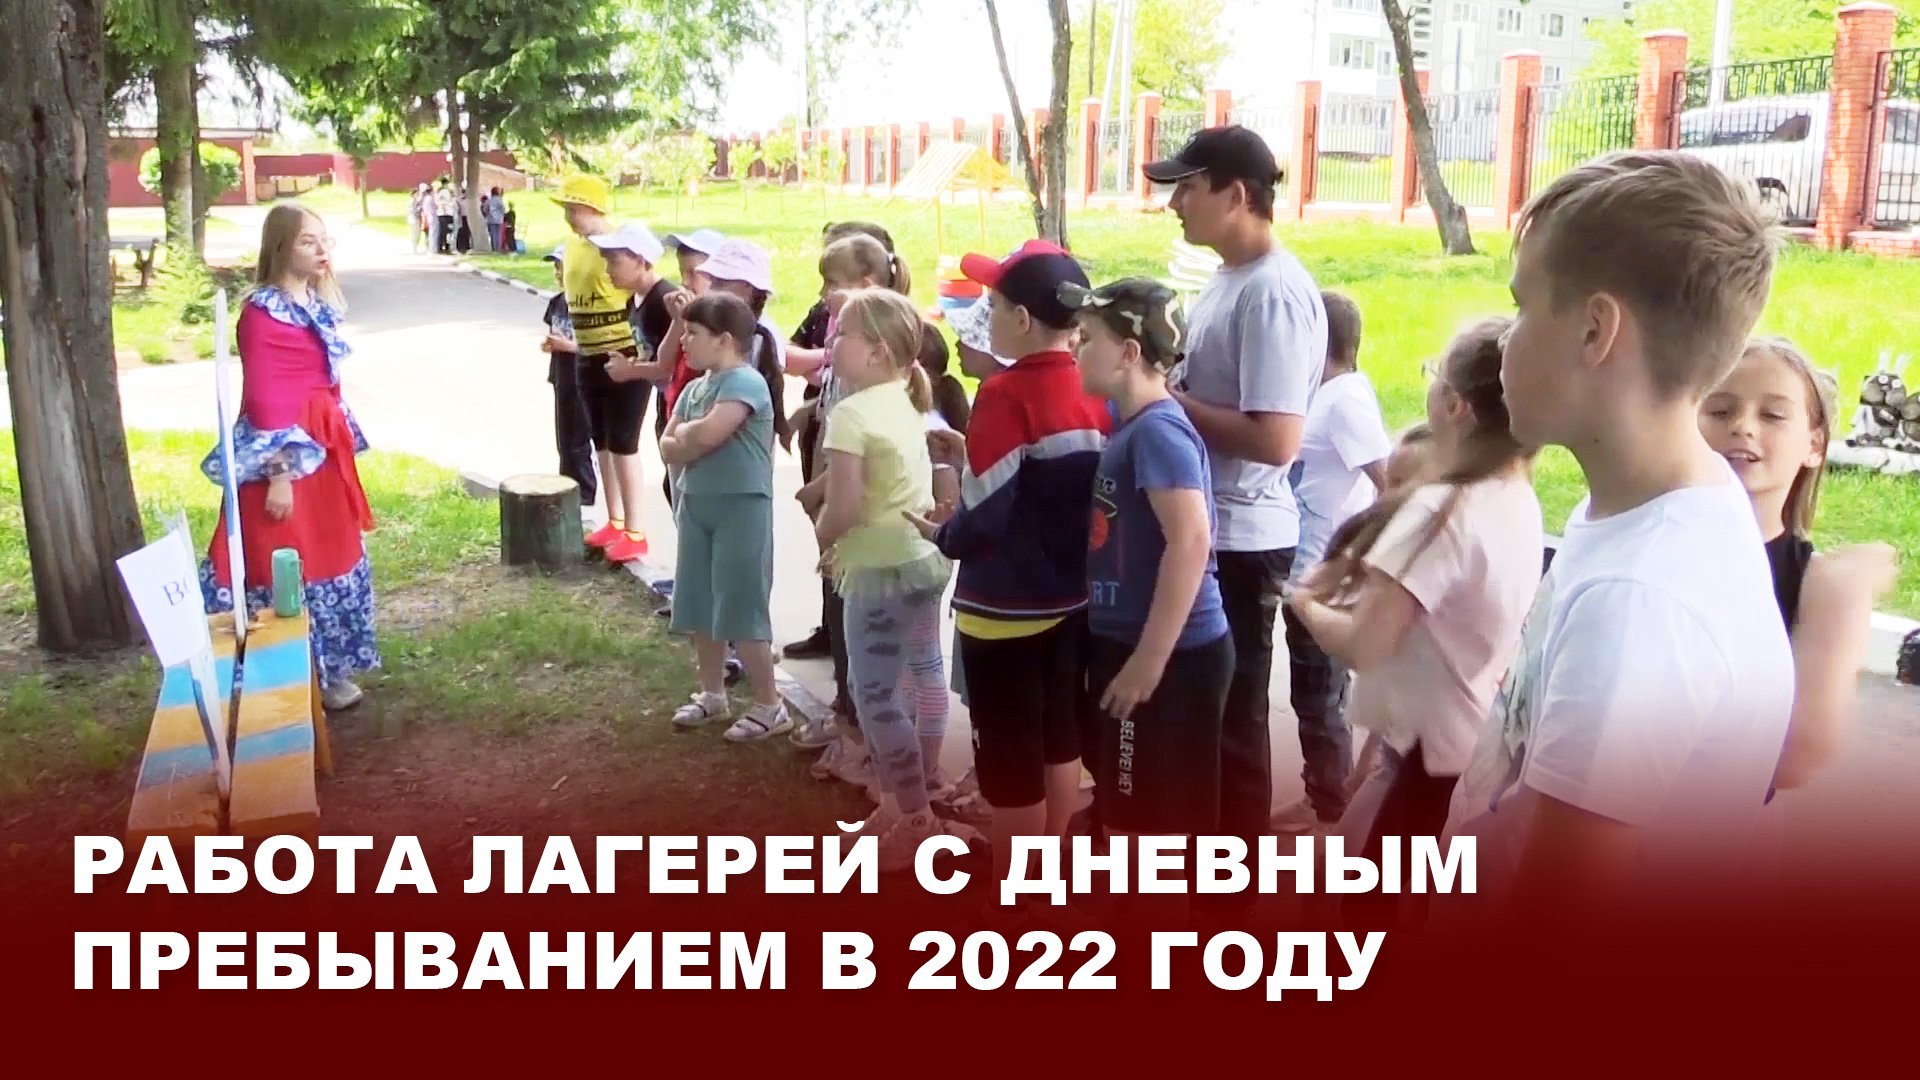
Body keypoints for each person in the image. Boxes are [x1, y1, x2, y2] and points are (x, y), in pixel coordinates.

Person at [1442, 151, 1794, 915]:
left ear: (1596, 329)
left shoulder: (1638, 597)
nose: (1504, 341)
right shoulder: (1660, 507)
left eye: (1524, 307)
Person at [1288, 319, 1542, 926]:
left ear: (1455, 405)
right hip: (1467, 742)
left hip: (1426, 757)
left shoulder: (1440, 509)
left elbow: (1364, 646)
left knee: (1370, 920)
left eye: (1435, 375)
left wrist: (1304, 604)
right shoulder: (1515, 492)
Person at [1142, 125, 1328, 854]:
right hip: (1210, 526)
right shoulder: (1230, 279)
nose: (1174, 204)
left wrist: (1166, 402)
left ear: (1237, 195)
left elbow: (1277, 440)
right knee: (1199, 717)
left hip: (1244, 539)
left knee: (1232, 721)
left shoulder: (1273, 293)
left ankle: (1232, 891)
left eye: (1188, 188)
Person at [907, 239, 1110, 895]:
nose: (984, 317)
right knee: (1059, 742)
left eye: (992, 305)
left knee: (1010, 764)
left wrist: (944, 533)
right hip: (1072, 599)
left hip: (1002, 611)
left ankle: (1014, 899)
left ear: (1022, 319)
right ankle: (1049, 872)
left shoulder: (1003, 393)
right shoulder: (1094, 388)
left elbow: (985, 516)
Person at [1061, 278, 1231, 879]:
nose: (1075, 347)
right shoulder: (1132, 425)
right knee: (1131, 818)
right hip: (1134, 645)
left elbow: (1190, 540)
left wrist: (1149, 662)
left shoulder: (1158, 431)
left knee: (1149, 833)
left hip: (1170, 656)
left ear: (1130, 352)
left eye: (1087, 338)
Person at [198, 203, 377, 712]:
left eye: (324, 240)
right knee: (283, 554)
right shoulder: (262, 313)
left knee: (329, 551)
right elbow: (264, 397)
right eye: (307, 241)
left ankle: (328, 671)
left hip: (324, 444)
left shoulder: (313, 302)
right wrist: (278, 473)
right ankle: (278, 676)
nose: (321, 250)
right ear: (280, 247)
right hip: (284, 453)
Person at [1699, 339, 1897, 797]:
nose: (1743, 426)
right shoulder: (1647, 549)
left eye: (1773, 415)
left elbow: (1796, 759)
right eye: (1720, 411)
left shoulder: (1820, 587)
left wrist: (1842, 596)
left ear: (1815, 445)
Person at [815, 287, 970, 864]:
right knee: (901, 683)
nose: (832, 342)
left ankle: (915, 818)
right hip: (918, 562)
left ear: (878, 351)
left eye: (843, 334)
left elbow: (845, 507)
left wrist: (824, 534)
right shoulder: (903, 398)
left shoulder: (851, 413)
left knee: (876, 696)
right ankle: (896, 806)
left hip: (881, 570)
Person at [1276, 290, 1393, 830]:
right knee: (1313, 695)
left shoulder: (1345, 400)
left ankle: (1331, 810)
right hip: (1305, 568)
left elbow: (1388, 483)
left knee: (1320, 697)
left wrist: (1359, 559)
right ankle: (1321, 793)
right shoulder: (1327, 394)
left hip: (1323, 574)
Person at [799, 233, 916, 772]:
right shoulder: (873, 368)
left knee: (868, 661)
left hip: (862, 543)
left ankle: (868, 750)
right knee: (872, 652)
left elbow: (859, 466)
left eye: (833, 283)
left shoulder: (865, 382)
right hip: (883, 543)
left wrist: (825, 525)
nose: (824, 294)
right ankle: (865, 735)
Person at [658, 293, 789, 741]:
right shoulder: (695, 388)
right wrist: (687, 438)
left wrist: (687, 436)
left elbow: (708, 435)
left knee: (741, 604)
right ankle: (712, 693)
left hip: (740, 507)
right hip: (697, 503)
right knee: (699, 602)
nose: (684, 342)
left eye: (693, 333)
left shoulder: (745, 382)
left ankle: (770, 704)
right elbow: (668, 445)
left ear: (724, 339)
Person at [786, 222, 906, 664]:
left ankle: (851, 688)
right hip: (831, 462)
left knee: (849, 581)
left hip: (852, 488)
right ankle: (840, 663)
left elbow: (867, 435)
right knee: (838, 584)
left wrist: (823, 493)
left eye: (832, 283)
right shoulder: (844, 329)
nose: (823, 293)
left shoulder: (875, 343)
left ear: (866, 285)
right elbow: (834, 390)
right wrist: (809, 409)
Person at [550, 175, 652, 564]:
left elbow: (639, 291)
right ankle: (614, 519)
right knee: (602, 442)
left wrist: (639, 355)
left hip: (620, 353)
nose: (569, 217)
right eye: (566, 210)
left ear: (593, 209)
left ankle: (636, 530)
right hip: (586, 355)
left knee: (624, 442)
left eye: (574, 209)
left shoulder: (618, 246)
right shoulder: (572, 247)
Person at [538, 243, 597, 511]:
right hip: (561, 377)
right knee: (563, 439)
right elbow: (555, 332)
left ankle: (584, 494)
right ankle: (566, 487)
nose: (558, 273)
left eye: (562, 267)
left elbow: (599, 345)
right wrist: (551, 344)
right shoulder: (557, 302)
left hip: (581, 378)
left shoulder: (589, 304)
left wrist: (569, 346)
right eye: (556, 267)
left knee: (578, 441)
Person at [432, 179, 456, 255]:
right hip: (445, 214)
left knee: (448, 231)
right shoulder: (443, 192)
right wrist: (444, 208)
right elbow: (441, 202)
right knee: (444, 232)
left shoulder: (447, 192)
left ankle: (446, 247)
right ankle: (443, 247)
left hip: (448, 213)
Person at [409, 183, 430, 255]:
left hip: (417, 218)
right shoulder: (412, 201)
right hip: (414, 219)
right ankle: (414, 249)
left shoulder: (416, 200)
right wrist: (420, 209)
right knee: (415, 234)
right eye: (416, 193)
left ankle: (415, 248)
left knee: (418, 234)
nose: (417, 194)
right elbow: (414, 210)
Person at [484, 185, 506, 252]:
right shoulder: (500, 200)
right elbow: (503, 209)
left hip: (491, 219)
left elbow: (485, 209)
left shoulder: (488, 201)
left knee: (493, 234)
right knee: (498, 234)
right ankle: (498, 248)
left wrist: (488, 214)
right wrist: (501, 215)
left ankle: (494, 248)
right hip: (499, 220)